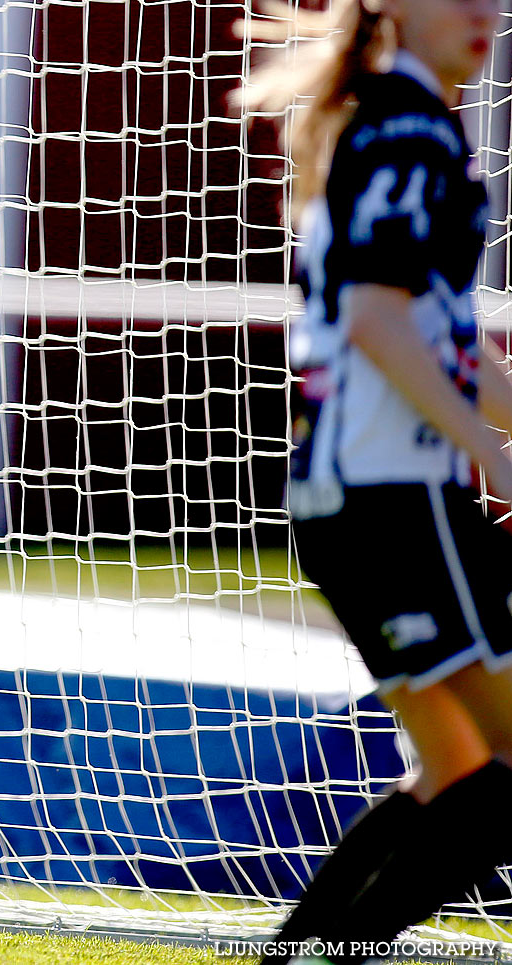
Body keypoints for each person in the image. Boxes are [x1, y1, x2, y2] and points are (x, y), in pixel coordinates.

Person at [244, 0, 512, 961]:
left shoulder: (404, 120)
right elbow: (374, 317)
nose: (483, 13)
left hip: (355, 497)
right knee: (494, 777)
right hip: (394, 499)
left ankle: (304, 955)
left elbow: (439, 333)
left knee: (460, 769)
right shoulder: (407, 128)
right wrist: (493, 460)